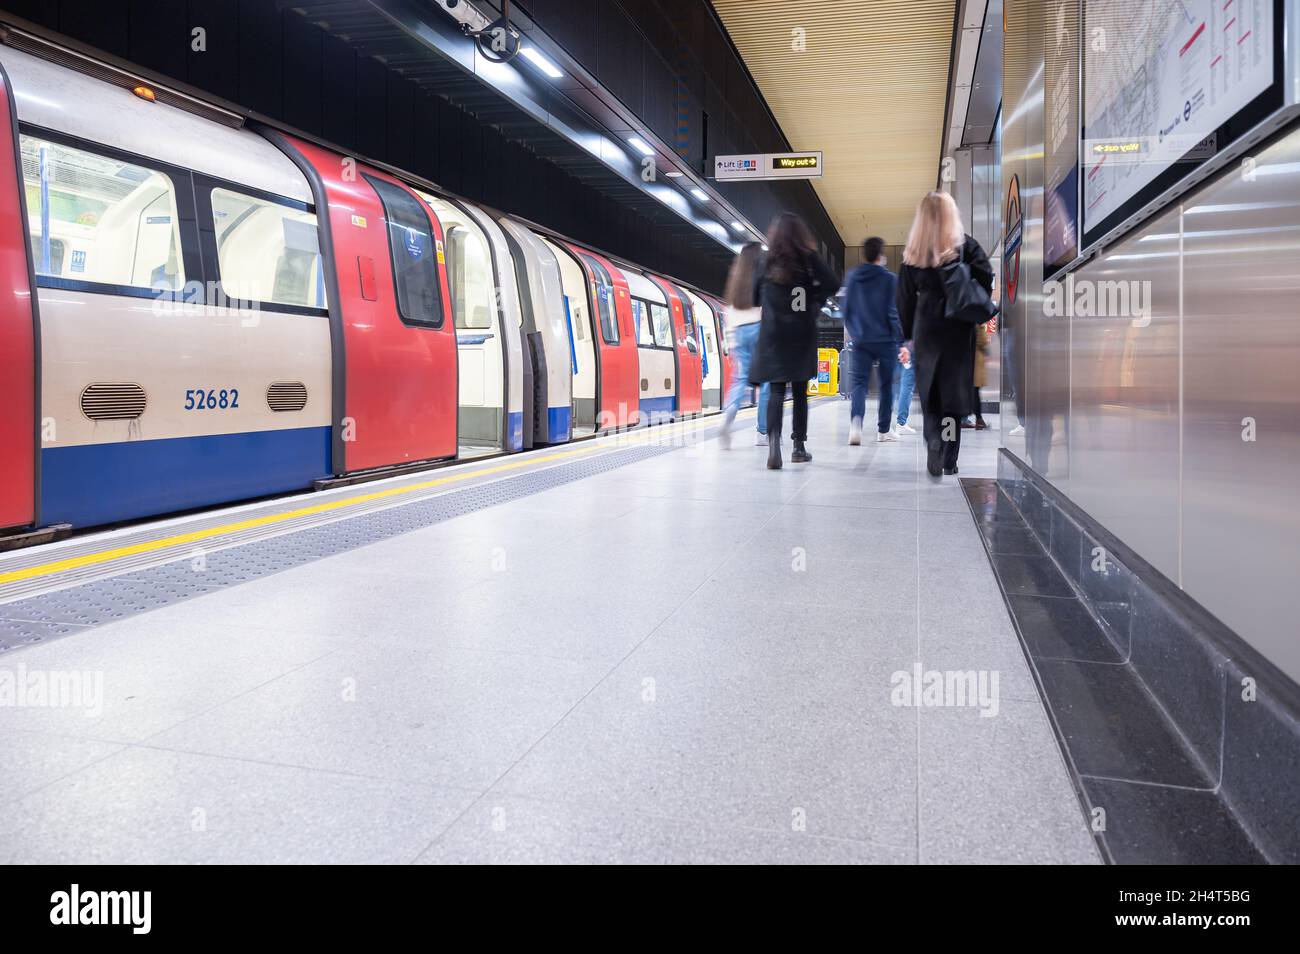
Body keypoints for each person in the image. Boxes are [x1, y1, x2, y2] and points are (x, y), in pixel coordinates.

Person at [897, 191, 994, 477]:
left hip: (926, 329)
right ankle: (949, 460)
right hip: (958, 327)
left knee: (931, 395)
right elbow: (986, 275)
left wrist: (907, 335)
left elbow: (903, 299)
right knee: (953, 399)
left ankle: (934, 441)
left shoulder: (913, 252)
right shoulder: (965, 245)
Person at [750, 212, 840, 470]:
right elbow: (833, 284)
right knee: (800, 392)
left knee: (777, 390)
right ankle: (798, 447)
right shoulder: (808, 258)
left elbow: (755, 298)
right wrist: (813, 301)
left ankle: (774, 444)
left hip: (773, 333)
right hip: (801, 332)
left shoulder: (764, 260)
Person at [841, 236, 902, 445]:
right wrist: (899, 339)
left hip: (861, 340)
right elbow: (893, 312)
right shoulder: (889, 279)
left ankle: (856, 424)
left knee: (859, 384)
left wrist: (854, 332)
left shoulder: (853, 276)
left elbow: (846, 310)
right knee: (886, 386)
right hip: (885, 341)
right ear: (880, 255)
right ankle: (883, 430)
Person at [718, 243, 770, 448]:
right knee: (766, 381)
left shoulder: (736, 280)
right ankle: (762, 432)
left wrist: (731, 342)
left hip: (738, 331)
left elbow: (728, 312)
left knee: (740, 379)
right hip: (758, 327)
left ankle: (728, 415)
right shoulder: (762, 275)